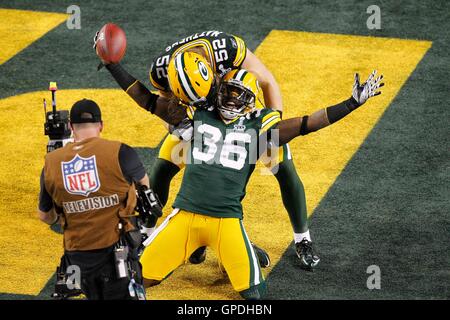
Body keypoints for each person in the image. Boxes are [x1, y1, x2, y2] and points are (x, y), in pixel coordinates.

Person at [139, 55, 384, 299]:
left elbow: (306, 123)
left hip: (227, 218)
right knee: (138, 276)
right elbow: (151, 102)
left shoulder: (259, 124)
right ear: (217, 90)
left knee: (255, 294)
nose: (232, 100)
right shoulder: (199, 113)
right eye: (229, 92)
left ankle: (290, 241)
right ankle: (176, 242)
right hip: (188, 210)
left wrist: (351, 103)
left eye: (239, 95)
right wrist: (113, 65)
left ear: (249, 103)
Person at [95, 30, 316, 269]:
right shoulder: (161, 72)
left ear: (211, 72)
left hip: (242, 114)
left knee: (284, 169)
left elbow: (267, 81)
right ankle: (148, 234)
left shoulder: (226, 48)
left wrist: (271, 123)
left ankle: (302, 238)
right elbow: (167, 109)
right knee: (162, 168)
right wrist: (179, 127)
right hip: (201, 122)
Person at [38, 99, 149, 300]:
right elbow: (146, 190)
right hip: (116, 255)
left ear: (71, 127)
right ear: (101, 125)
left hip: (77, 260)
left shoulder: (51, 163)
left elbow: (46, 216)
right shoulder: (121, 152)